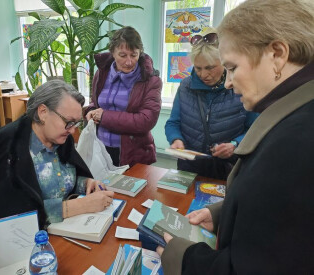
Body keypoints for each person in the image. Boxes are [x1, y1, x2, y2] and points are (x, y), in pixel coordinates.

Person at [158, 0, 314, 273]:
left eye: (231, 68)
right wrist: (221, 213)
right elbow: (272, 217)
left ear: (277, 54)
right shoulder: (293, 118)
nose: (228, 82)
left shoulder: (295, 142)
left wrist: (184, 259)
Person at [0, 80, 114, 229]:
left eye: (76, 123)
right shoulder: (10, 145)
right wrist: (79, 206)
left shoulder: (61, 138)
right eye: (68, 122)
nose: (72, 130)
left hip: (63, 229)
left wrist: (85, 183)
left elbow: (66, 178)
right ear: (43, 112)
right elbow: (8, 216)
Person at [165, 27, 258, 180]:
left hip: (228, 170)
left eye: (210, 68)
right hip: (189, 168)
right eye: (198, 68)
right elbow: (173, 123)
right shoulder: (185, 86)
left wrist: (235, 144)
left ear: (224, 62)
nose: (203, 74)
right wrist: (176, 139)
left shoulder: (240, 86)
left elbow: (255, 128)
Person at [85, 26, 162, 167]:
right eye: (122, 55)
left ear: (140, 53)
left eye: (134, 55)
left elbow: (145, 120)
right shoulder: (101, 73)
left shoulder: (151, 80)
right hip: (100, 150)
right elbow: (96, 104)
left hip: (133, 154)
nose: (129, 62)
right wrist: (90, 111)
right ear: (112, 53)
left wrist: (104, 117)